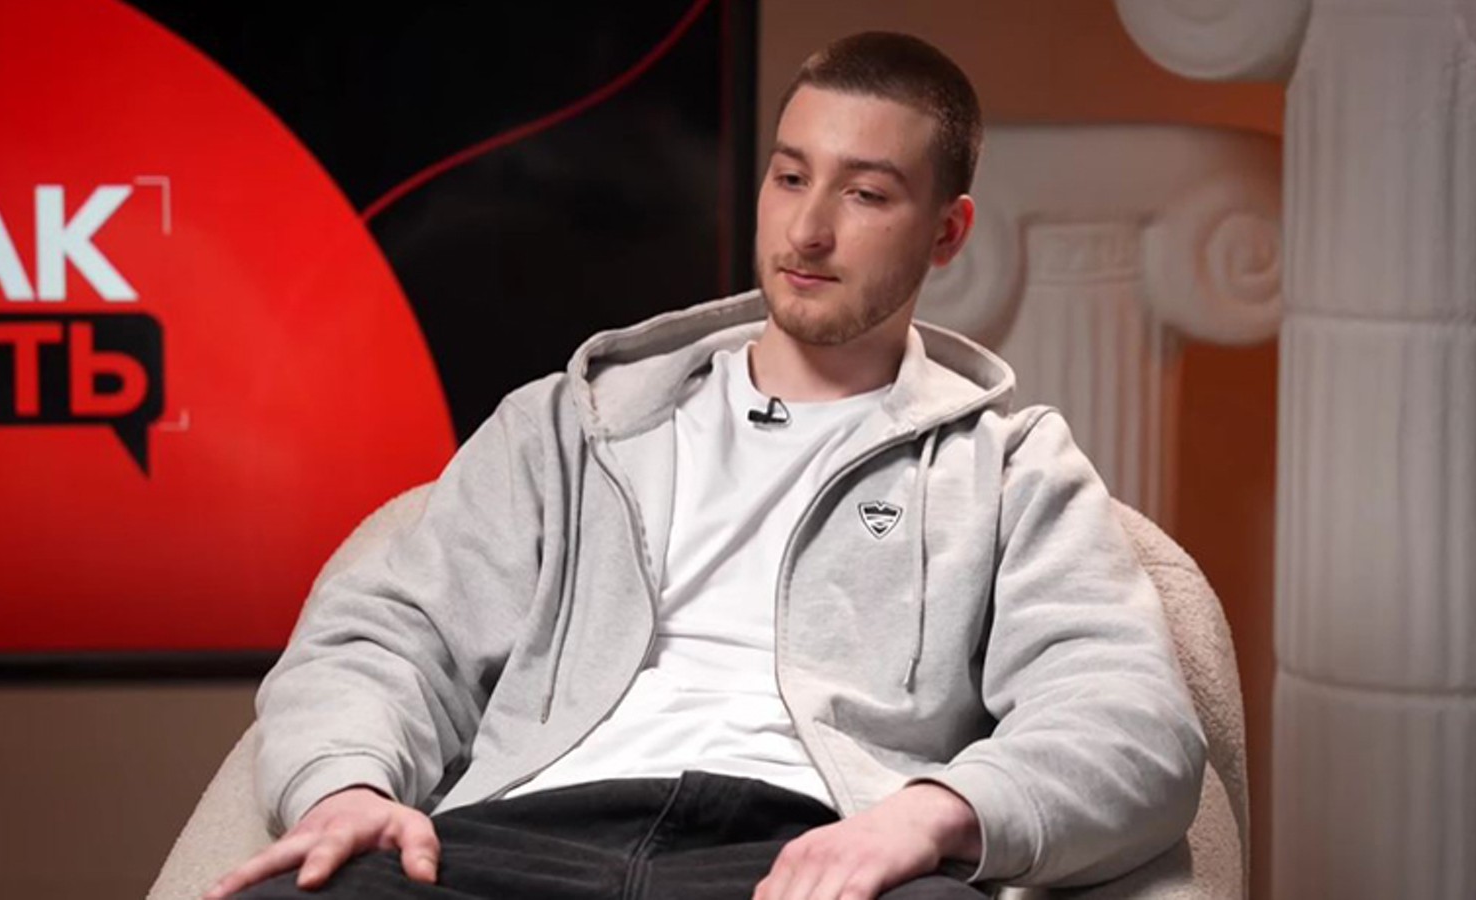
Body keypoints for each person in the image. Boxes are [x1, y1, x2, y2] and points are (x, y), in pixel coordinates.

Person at [209, 31, 1205, 900]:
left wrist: (930, 813)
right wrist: (345, 785)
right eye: (790, 177)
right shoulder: (570, 424)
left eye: (865, 193)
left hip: (816, 858)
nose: (808, 229)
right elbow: (387, 635)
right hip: (519, 842)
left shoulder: (1010, 468)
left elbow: (1128, 719)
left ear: (947, 233)